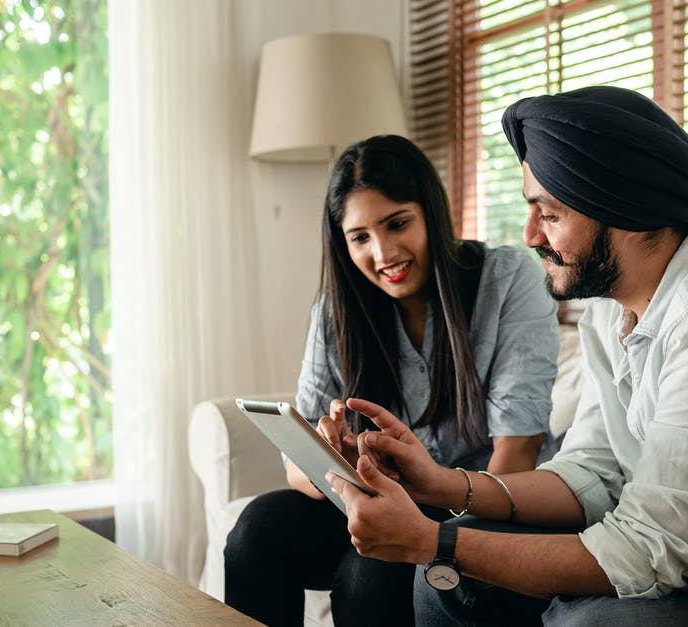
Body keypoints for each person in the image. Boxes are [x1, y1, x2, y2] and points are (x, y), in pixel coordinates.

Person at [322, 86, 688, 625]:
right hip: (684, 549)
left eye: (549, 213)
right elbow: (592, 473)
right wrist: (442, 485)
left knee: (587, 618)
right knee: (450, 582)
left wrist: (433, 541)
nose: (529, 234)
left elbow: (651, 551)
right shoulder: (612, 307)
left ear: (622, 212)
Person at [224, 134, 561, 626]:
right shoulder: (335, 314)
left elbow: (516, 456)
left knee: (370, 570)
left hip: (472, 502)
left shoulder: (507, 279)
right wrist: (332, 460)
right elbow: (297, 471)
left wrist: (417, 511)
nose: (383, 253)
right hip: (375, 498)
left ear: (430, 212)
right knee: (256, 530)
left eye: (397, 223)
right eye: (360, 237)